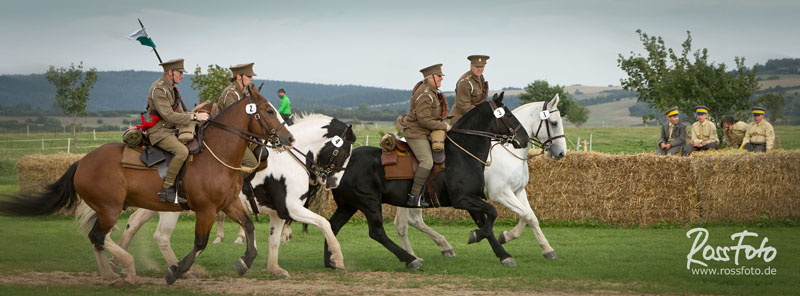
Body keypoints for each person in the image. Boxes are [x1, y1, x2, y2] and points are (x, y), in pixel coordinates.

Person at [146, 58, 209, 203]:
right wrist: (194, 116)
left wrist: (198, 118)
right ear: (170, 72)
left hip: (170, 130)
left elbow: (180, 113)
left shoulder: (172, 89)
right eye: (180, 72)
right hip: (159, 131)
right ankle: (167, 189)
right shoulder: (159, 89)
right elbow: (168, 115)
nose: (182, 75)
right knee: (182, 152)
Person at [400, 64, 450, 208]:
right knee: (427, 162)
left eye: (441, 76)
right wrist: (444, 126)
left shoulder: (432, 92)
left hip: (425, 132)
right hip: (416, 133)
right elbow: (424, 121)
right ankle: (414, 196)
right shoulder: (425, 95)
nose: (441, 78)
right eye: (439, 76)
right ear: (430, 78)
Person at [217, 63, 260, 199]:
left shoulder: (243, 93)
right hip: (227, 138)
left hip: (238, 137)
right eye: (249, 76)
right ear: (239, 77)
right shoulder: (231, 93)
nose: (251, 79)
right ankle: (229, 185)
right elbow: (233, 121)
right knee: (252, 163)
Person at [449, 55, 489, 125]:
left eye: (481, 67)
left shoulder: (480, 77)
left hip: (473, 117)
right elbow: (463, 106)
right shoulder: (465, 82)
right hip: (461, 120)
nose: (479, 69)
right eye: (477, 67)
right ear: (471, 66)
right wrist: (481, 114)